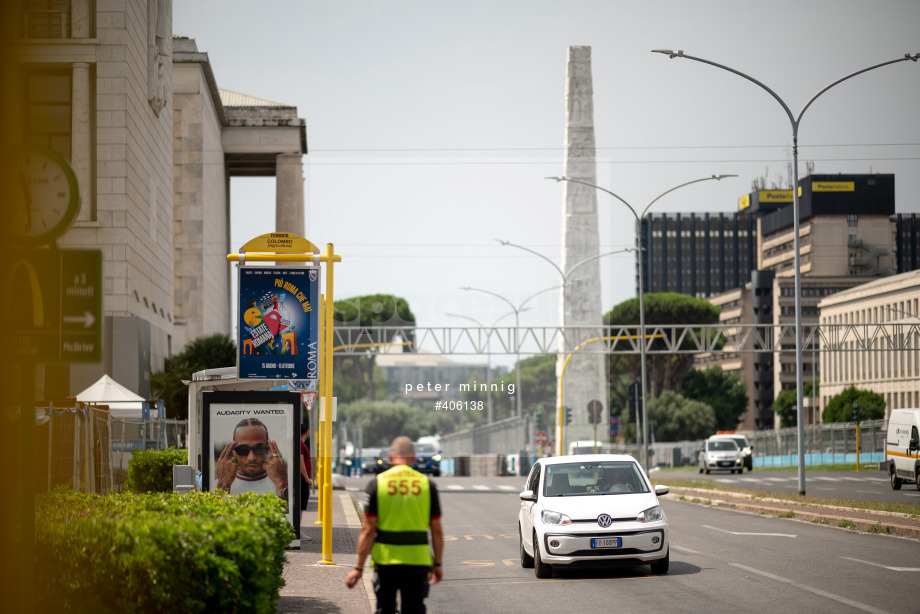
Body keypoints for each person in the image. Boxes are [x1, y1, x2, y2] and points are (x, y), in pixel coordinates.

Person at [345, 436, 444, 614]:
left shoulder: (377, 484)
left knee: (385, 609)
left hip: (386, 562)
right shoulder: (428, 485)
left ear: (391, 457)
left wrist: (358, 568)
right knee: (414, 609)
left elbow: (368, 530)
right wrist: (437, 564)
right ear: (413, 458)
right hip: (418, 561)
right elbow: (436, 530)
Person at [215, 418, 289, 500]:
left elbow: (288, 512)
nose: (251, 458)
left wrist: (282, 485)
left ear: (268, 449)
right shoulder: (219, 483)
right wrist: (223, 486)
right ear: (234, 451)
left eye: (259, 449)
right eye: (243, 450)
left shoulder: (280, 482)